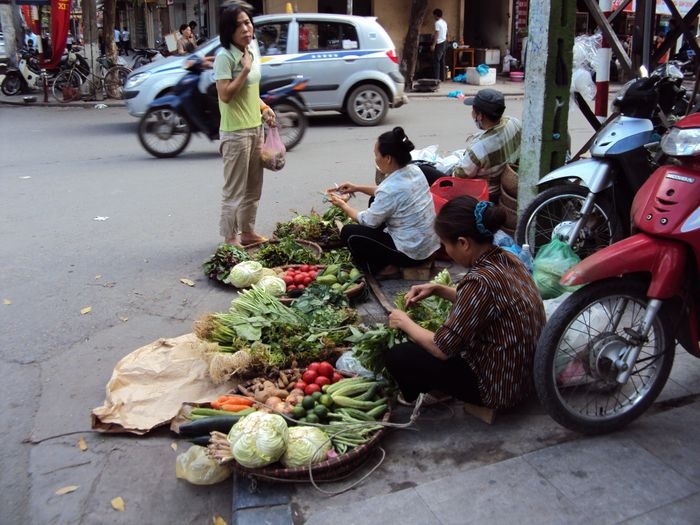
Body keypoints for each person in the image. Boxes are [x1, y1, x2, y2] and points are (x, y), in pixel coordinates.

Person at [386, 195, 546, 408]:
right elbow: (489, 303)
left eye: (445, 244)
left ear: (463, 243)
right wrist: (439, 289)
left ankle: (425, 394)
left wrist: (403, 321)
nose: (446, 251)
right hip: (525, 377)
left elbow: (442, 348)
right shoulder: (507, 258)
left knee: (400, 355)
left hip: (498, 388)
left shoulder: (479, 281)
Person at [326, 127, 441, 279]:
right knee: (374, 199)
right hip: (428, 245)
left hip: (412, 254)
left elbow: (367, 221)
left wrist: (343, 205)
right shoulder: (414, 170)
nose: (375, 159)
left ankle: (383, 269)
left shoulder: (390, 189)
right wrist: (357, 188)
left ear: (388, 158)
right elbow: (384, 193)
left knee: (349, 233)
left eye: (376, 155)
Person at [214, 2, 276, 247]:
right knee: (234, 191)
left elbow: (251, 92)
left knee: (253, 187)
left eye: (248, 22)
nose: (245, 28)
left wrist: (264, 108)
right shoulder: (225, 56)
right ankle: (230, 238)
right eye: (238, 25)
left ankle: (248, 232)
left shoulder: (250, 51)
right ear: (229, 30)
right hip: (235, 133)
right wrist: (244, 70)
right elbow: (225, 95)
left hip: (255, 128)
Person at [454, 88, 522, 202]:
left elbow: (459, 175)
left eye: (473, 111)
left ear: (480, 115)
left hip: (489, 193)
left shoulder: (479, 149)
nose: (472, 114)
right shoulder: (514, 122)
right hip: (506, 183)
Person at [431, 8, 448, 81]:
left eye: (434, 15)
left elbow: (437, 33)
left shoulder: (437, 23)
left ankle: (437, 78)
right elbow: (446, 32)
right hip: (444, 42)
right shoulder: (444, 22)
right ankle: (443, 78)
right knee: (442, 61)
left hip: (439, 43)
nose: (433, 17)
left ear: (436, 15)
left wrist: (433, 45)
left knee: (436, 61)